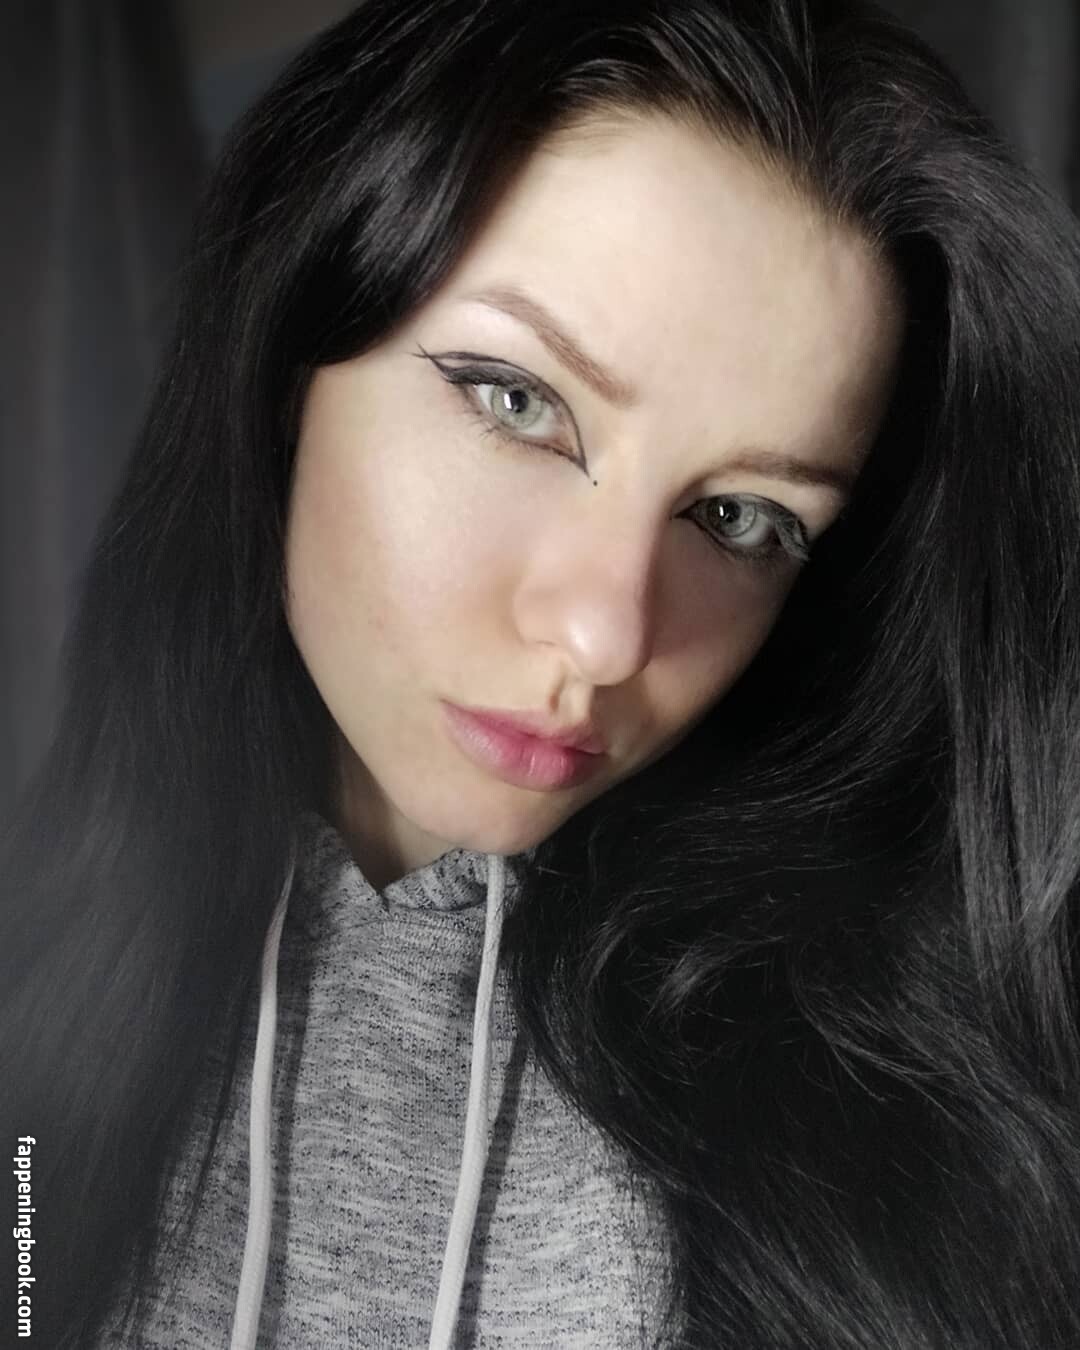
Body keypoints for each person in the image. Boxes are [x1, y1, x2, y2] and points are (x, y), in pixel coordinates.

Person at [3, 0, 1080, 1345]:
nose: (605, 636)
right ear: (291, 355)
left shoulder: (908, 1121)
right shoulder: (40, 963)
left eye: (741, 516)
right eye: (517, 402)